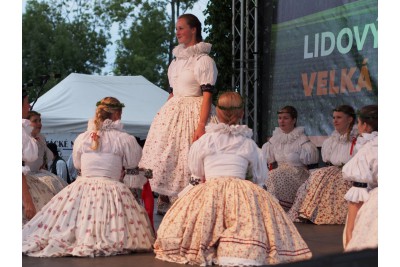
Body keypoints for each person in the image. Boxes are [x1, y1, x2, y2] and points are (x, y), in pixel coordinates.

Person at [154, 92, 312, 266]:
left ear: (218, 113)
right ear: (241, 113)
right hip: (241, 190)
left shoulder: (204, 141)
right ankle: (237, 249)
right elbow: (259, 176)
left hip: (209, 189)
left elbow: (197, 173)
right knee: (246, 220)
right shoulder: (248, 144)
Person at [23, 97, 155, 257]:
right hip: (111, 188)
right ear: (118, 114)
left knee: (67, 223)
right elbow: (132, 166)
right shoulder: (125, 140)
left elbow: (78, 165)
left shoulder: (82, 138)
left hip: (82, 187)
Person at [138, 13, 218, 215]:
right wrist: (162, 116)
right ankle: (166, 198)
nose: (178, 32)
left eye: (181, 28)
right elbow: (173, 92)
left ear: (194, 29)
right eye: (176, 29)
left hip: (194, 110)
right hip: (174, 111)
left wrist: (201, 125)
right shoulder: (176, 62)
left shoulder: (203, 60)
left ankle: (188, 201)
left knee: (187, 155)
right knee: (165, 155)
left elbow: (207, 94)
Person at [287, 105, 357, 224]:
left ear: (349, 119)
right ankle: (306, 211)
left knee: (324, 178)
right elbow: (328, 159)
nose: (335, 120)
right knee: (316, 177)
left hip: (350, 174)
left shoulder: (356, 140)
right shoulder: (332, 140)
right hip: (334, 171)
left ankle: (312, 212)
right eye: (334, 117)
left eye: (339, 117)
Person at [262, 106, 319, 211]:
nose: (281, 121)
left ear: (294, 120)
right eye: (279, 118)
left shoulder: (301, 140)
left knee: (274, 175)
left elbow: (312, 165)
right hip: (279, 173)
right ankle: (271, 207)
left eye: (286, 118)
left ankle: (279, 208)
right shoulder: (275, 139)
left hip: (298, 175)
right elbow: (268, 160)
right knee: (269, 176)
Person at [342, 105, 378, 252]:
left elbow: (358, 191)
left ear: (365, 126)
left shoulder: (368, 150)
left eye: (358, 123)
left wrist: (350, 230)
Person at [22, 90, 55, 225]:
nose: (29, 106)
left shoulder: (38, 138)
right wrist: (28, 201)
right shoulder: (22, 133)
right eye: (26, 103)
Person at [25, 111, 68, 195]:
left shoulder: (41, 139)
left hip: (39, 174)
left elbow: (44, 159)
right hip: (27, 176)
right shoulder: (24, 140)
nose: (39, 123)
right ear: (27, 123)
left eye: (40, 120)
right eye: (35, 121)